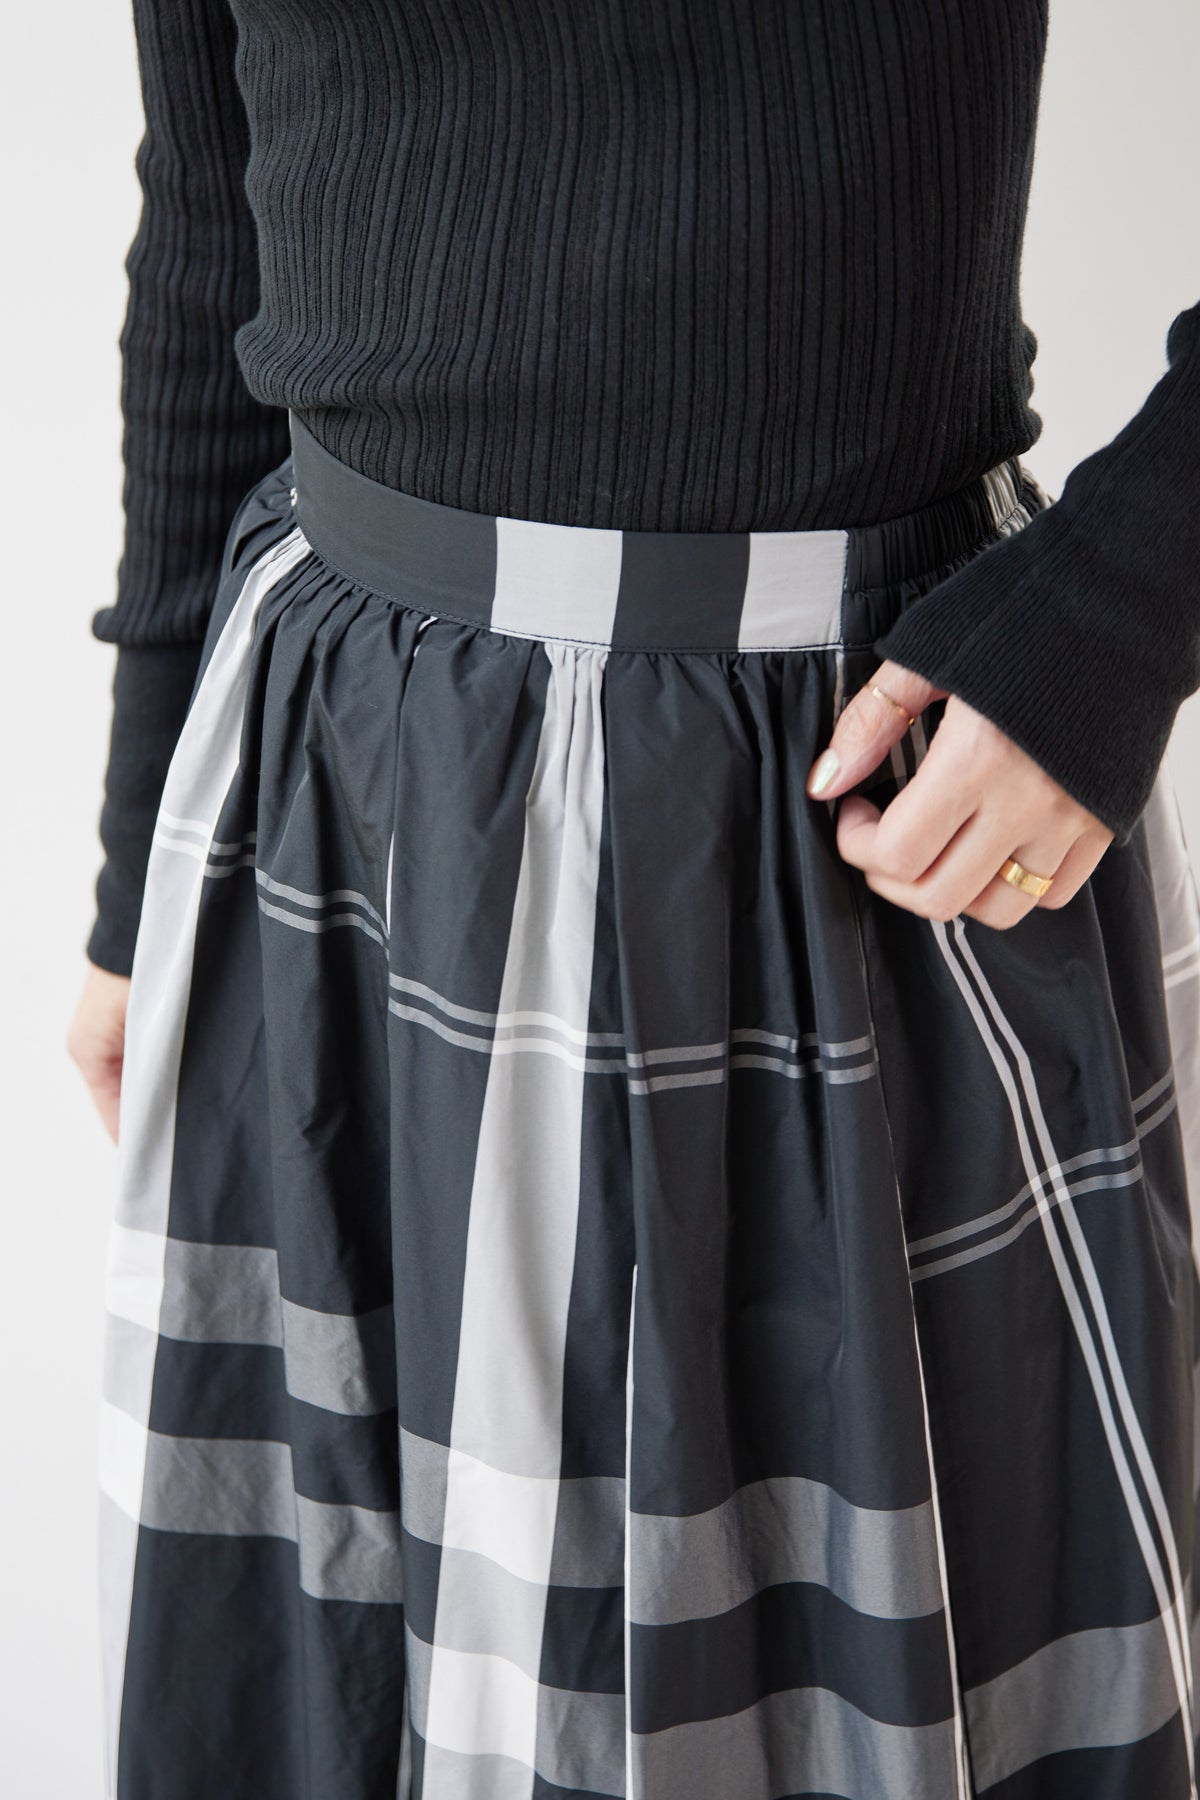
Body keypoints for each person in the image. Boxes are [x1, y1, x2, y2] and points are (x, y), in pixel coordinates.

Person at [65, 1, 1200, 1795]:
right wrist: (141, 867)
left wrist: (1128, 602)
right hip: (342, 814)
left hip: (851, 824)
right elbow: (216, 204)